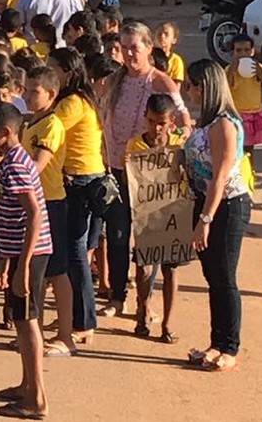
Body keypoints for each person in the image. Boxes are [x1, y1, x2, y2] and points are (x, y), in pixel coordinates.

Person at [101, 23, 191, 318]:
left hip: (149, 175)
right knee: (116, 232)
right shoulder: (115, 81)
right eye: (124, 47)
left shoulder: (162, 82)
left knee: (148, 242)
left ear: (148, 49)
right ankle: (117, 295)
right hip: (116, 168)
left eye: (134, 48)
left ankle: (145, 302)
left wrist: (177, 136)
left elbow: (183, 118)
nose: (128, 54)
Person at [0, 102, 51, 420]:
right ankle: (27, 386)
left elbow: (33, 214)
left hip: (31, 254)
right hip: (24, 253)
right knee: (23, 322)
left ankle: (36, 399)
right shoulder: (14, 159)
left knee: (27, 322)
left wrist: (21, 265)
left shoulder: (15, 166)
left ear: (4, 133)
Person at [184, 59, 252, 372]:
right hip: (205, 200)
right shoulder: (206, 122)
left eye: (194, 85)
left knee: (225, 276)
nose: (189, 90)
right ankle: (216, 342)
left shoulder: (224, 123)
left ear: (207, 87)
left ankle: (230, 346)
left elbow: (221, 177)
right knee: (213, 275)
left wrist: (205, 221)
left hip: (226, 205)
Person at [48, 47, 102, 344]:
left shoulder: (71, 103)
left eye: (51, 68)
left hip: (79, 179)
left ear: (66, 73)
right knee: (73, 251)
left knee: (75, 252)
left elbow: (48, 130)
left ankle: (83, 320)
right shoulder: (78, 99)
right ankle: (78, 316)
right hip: (81, 176)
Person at [21, 67, 74, 357]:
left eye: (34, 91)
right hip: (35, 203)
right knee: (36, 272)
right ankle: (35, 333)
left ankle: (65, 335)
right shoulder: (31, 123)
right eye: (26, 89)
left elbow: (36, 166)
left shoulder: (52, 125)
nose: (27, 95)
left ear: (51, 95)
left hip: (51, 202)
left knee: (56, 271)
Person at [125, 94, 184, 343]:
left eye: (161, 123)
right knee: (144, 267)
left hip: (174, 212)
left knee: (170, 269)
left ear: (171, 122)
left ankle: (168, 323)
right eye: (151, 121)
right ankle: (143, 309)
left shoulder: (179, 145)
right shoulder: (135, 146)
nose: (156, 128)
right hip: (146, 214)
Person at [227, 35, 262, 178]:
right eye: (238, 51)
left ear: (252, 51)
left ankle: (249, 174)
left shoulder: (257, 68)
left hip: (253, 114)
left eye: (246, 50)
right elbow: (225, 91)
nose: (243, 54)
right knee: (235, 148)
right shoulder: (229, 69)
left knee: (249, 149)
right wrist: (232, 70)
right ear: (232, 53)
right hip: (235, 115)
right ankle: (234, 174)